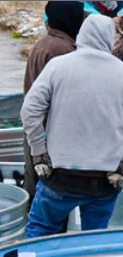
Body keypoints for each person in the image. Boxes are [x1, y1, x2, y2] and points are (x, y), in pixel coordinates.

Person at [22, 14, 123, 237]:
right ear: (109, 37)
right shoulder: (121, 72)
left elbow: (29, 111)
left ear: (81, 35)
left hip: (60, 175)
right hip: (104, 179)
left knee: (41, 232)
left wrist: (39, 153)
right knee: (93, 242)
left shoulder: (58, 67)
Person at [22, 2, 87, 201]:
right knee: (53, 196)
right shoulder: (64, 49)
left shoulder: (43, 44)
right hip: (51, 133)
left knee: (34, 188)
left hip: (35, 129)